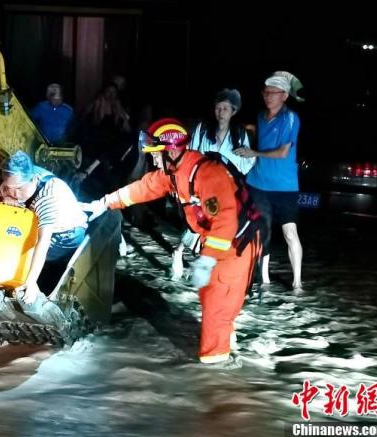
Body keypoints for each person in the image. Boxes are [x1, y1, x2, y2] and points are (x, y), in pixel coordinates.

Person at [83, 118, 263, 364]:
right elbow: (144, 187)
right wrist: (104, 203)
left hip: (236, 244)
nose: (153, 159)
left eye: (156, 154)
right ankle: (224, 345)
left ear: (172, 151)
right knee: (213, 299)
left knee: (217, 303)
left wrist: (207, 261)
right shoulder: (176, 172)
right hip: (219, 242)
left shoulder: (209, 174)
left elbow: (225, 221)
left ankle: (216, 368)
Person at [172, 88, 256, 279]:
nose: (221, 112)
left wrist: (243, 159)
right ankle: (179, 251)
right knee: (198, 222)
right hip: (202, 185)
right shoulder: (202, 129)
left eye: (226, 108)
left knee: (219, 224)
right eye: (218, 108)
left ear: (233, 111)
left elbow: (246, 163)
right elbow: (191, 154)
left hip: (227, 187)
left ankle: (208, 263)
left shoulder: (239, 133)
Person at [234, 71, 304, 290]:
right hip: (258, 183)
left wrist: (253, 153)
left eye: (273, 93)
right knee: (260, 230)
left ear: (284, 95)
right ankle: (260, 277)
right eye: (265, 92)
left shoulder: (290, 118)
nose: (268, 96)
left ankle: (297, 283)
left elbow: (283, 152)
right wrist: (248, 132)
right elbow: (261, 136)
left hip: (285, 187)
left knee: (290, 233)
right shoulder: (260, 116)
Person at [0, 151, 88, 303]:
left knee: (28, 254)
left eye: (19, 189)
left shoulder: (47, 200)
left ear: (32, 179)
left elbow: (43, 241)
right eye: (9, 187)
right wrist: (4, 197)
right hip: (43, 220)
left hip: (67, 236)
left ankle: (43, 277)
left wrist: (31, 281)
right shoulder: (20, 175)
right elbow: (2, 191)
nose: (14, 193)